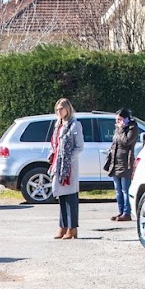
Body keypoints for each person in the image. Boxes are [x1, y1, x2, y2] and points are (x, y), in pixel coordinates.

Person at [49, 97, 84, 239]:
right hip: (58, 165)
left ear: (67, 109)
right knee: (61, 197)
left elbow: (79, 146)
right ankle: (62, 226)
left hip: (69, 167)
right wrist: (53, 154)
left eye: (61, 109)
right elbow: (54, 144)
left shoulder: (75, 125)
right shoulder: (58, 126)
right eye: (57, 110)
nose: (59, 112)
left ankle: (72, 227)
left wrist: (68, 160)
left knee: (70, 197)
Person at [106, 109, 139, 222]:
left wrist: (121, 129)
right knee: (117, 190)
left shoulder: (132, 128)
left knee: (125, 189)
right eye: (117, 120)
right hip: (115, 162)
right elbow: (115, 141)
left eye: (120, 119)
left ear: (126, 118)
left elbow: (126, 141)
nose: (118, 122)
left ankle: (127, 212)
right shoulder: (118, 129)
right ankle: (120, 211)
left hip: (125, 162)